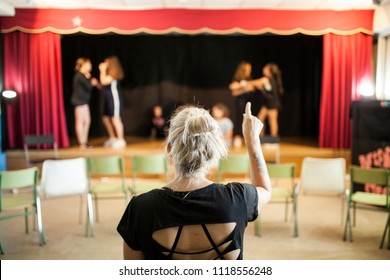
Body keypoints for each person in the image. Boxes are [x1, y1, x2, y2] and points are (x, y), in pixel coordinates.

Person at [117, 102, 272, 260]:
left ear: (170, 149)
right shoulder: (238, 198)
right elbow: (264, 189)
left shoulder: (140, 209)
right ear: (213, 150)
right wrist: (252, 140)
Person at [71, 57, 99, 149]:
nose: (90, 65)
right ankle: (81, 142)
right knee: (80, 121)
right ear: (84, 65)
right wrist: (92, 82)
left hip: (84, 101)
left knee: (87, 121)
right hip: (79, 101)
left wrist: (90, 79)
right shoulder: (79, 75)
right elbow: (88, 86)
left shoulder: (84, 75)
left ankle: (84, 141)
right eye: (89, 64)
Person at [99, 56, 126, 149]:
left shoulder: (114, 74)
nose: (105, 64)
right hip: (107, 99)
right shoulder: (109, 74)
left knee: (115, 118)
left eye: (106, 63)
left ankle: (121, 139)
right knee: (105, 118)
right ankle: (113, 137)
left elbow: (103, 81)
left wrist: (102, 70)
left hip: (114, 99)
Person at [229, 61, 255, 147]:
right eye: (248, 68)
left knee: (249, 118)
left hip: (249, 101)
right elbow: (233, 89)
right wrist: (243, 87)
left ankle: (247, 137)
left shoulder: (249, 78)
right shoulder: (237, 77)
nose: (250, 70)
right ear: (243, 69)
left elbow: (251, 87)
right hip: (240, 102)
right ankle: (238, 136)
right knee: (239, 118)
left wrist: (243, 86)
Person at [256, 63, 284, 137]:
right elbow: (267, 89)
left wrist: (244, 84)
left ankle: (273, 140)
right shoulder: (268, 79)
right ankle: (261, 137)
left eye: (265, 68)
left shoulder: (267, 79)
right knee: (260, 119)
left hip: (272, 104)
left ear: (269, 71)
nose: (263, 69)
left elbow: (256, 83)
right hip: (267, 104)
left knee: (272, 121)